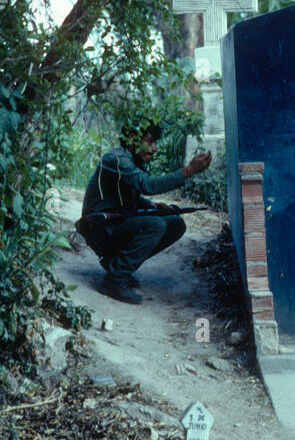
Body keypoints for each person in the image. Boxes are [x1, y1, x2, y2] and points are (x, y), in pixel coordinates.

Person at [78, 123, 211, 304]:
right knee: (155, 225)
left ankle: (118, 266)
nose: (154, 148)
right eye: (150, 141)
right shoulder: (117, 159)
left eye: (155, 142)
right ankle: (114, 280)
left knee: (175, 223)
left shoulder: (132, 160)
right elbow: (147, 185)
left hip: (112, 225)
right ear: (132, 139)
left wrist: (151, 205)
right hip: (99, 229)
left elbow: (127, 196)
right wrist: (188, 171)